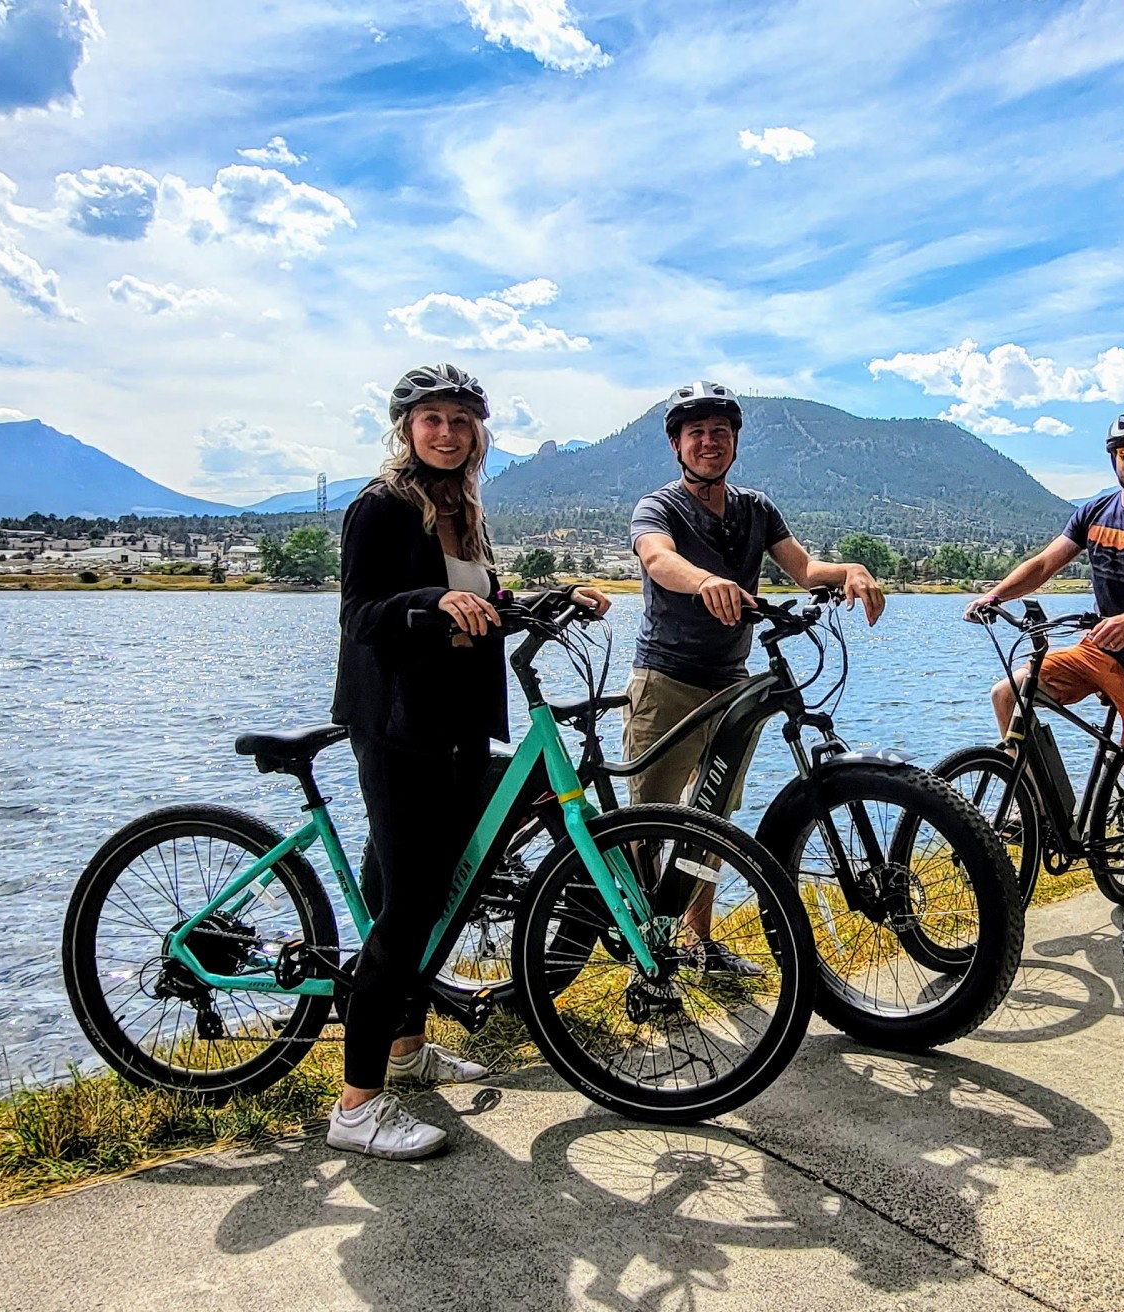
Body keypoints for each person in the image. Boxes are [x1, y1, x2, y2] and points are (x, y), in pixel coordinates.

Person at [328, 363, 610, 1159]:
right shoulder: (379, 507)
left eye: (461, 421)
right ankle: (354, 1108)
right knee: (411, 908)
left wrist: (554, 599)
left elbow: (481, 604)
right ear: (407, 430)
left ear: (477, 434)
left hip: (456, 724)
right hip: (396, 727)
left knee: (438, 891)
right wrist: (429, 603)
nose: (447, 433)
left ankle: (406, 1050)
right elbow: (361, 615)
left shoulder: (464, 513)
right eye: (433, 420)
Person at [626, 381, 885, 969]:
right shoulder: (658, 506)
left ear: (736, 442)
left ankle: (698, 940)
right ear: (677, 445)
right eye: (697, 434)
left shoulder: (756, 508)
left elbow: (804, 569)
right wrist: (706, 580)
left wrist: (849, 570)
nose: (709, 442)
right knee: (649, 818)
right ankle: (645, 948)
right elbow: (657, 559)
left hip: (731, 684)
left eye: (720, 432)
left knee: (714, 816)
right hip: (666, 681)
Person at [965, 408, 1124, 826]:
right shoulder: (1096, 511)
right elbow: (1043, 566)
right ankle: (1039, 811)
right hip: (1097, 652)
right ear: (1114, 456)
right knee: (1008, 694)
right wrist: (996, 595)